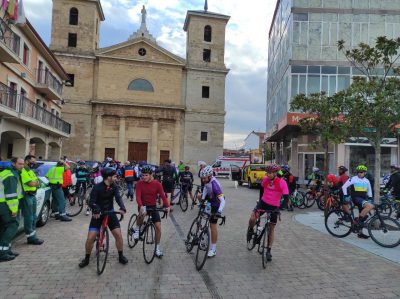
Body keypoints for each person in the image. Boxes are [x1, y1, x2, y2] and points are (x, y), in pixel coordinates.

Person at [78, 167, 128, 268]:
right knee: (90, 238)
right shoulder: (97, 187)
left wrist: (122, 207)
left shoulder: (114, 186)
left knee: (118, 235)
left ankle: (121, 255)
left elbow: (118, 197)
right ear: (108, 177)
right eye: (114, 176)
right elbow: (91, 202)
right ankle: (86, 259)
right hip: (98, 214)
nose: (116, 178)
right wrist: (96, 209)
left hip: (110, 213)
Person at [247, 164, 289, 262]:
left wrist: (280, 208)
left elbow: (286, 198)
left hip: (274, 206)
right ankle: (251, 229)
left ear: (275, 173)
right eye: (267, 173)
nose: (268, 175)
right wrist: (260, 200)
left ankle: (269, 250)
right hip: (263, 203)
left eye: (270, 173)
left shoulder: (282, 182)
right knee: (253, 217)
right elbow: (261, 189)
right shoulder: (265, 179)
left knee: (271, 229)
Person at [133, 165, 170, 258]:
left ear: (151, 175)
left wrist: (168, 206)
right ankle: (137, 229)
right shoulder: (139, 183)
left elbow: (163, 196)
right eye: (142, 175)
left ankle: (157, 248)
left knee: (158, 227)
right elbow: (137, 196)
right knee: (143, 213)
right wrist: (141, 206)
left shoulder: (157, 184)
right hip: (143, 205)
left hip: (153, 206)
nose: (144, 177)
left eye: (146, 175)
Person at [198, 165, 226, 257]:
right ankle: (200, 235)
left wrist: (219, 211)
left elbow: (223, 200)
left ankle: (213, 249)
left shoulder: (215, 185)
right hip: (209, 201)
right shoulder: (207, 180)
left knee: (212, 226)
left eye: (204, 178)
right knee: (201, 216)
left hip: (216, 205)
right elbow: (206, 188)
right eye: (202, 178)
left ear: (210, 176)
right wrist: (202, 200)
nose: (203, 180)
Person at [0, 157, 24, 262]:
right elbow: (11, 195)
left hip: (3, 204)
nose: (22, 166)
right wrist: (14, 209)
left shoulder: (7, 173)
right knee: (12, 225)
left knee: (4, 228)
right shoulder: (10, 176)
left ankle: (7, 249)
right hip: (5, 205)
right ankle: (3, 252)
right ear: (13, 164)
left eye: (23, 164)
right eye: (20, 164)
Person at [342, 164, 374, 239]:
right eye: (358, 172)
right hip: (356, 198)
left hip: (363, 198)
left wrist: (370, 198)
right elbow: (344, 187)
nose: (359, 173)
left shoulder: (367, 180)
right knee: (369, 206)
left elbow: (369, 190)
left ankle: (360, 232)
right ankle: (357, 221)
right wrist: (346, 195)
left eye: (361, 172)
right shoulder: (353, 179)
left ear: (365, 173)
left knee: (364, 215)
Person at [20, 155, 44, 245]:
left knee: (33, 216)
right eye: (32, 162)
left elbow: (37, 182)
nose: (34, 163)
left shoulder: (30, 171)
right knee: (29, 217)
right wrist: (36, 183)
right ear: (27, 161)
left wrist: (36, 183)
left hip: (32, 195)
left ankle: (33, 236)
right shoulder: (23, 171)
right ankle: (31, 238)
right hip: (27, 196)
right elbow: (31, 183)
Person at [45, 157, 71, 222]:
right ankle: (63, 215)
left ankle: (56, 214)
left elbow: (46, 176)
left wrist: (52, 180)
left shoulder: (52, 168)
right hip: (57, 187)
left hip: (52, 186)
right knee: (62, 201)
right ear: (61, 164)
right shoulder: (60, 169)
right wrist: (64, 162)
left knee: (55, 200)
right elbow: (68, 167)